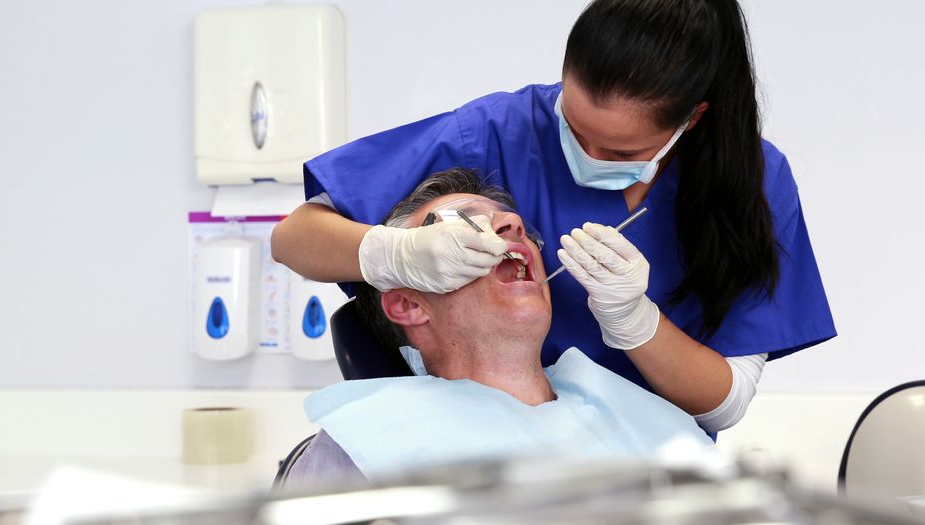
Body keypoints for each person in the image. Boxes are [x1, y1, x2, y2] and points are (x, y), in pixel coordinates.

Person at [272, 0, 835, 435]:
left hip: (649, 484)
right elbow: (294, 238)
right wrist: (394, 251)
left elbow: (725, 404)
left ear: (692, 121)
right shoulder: (497, 133)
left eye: (618, 153)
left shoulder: (751, 181)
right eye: (572, 124)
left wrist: (637, 323)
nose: (511, 226)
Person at [284, 169, 716, 487]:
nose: (511, 227)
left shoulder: (643, 419)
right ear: (409, 304)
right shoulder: (364, 447)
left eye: (518, 226)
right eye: (463, 225)